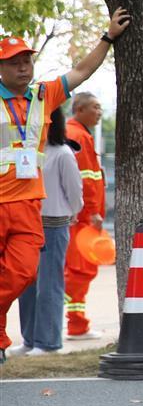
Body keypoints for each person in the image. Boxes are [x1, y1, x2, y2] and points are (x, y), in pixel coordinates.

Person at [0, 8, 127, 364]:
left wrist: (107, 38)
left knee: (25, 274)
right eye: (14, 63)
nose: (23, 68)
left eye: (27, 61)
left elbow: (82, 71)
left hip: (30, 205)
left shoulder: (44, 95)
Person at [13, 109, 82, 356]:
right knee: (27, 284)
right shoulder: (26, 151)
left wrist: (74, 211)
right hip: (26, 222)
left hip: (53, 223)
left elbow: (74, 190)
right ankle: (30, 339)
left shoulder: (62, 152)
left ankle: (48, 342)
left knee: (49, 284)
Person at [63, 91, 106, 339]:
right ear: (79, 110)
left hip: (79, 216)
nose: (99, 112)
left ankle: (75, 322)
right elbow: (85, 181)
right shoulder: (78, 136)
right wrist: (92, 213)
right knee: (80, 271)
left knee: (76, 270)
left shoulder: (77, 134)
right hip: (82, 219)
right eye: (95, 107)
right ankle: (76, 325)